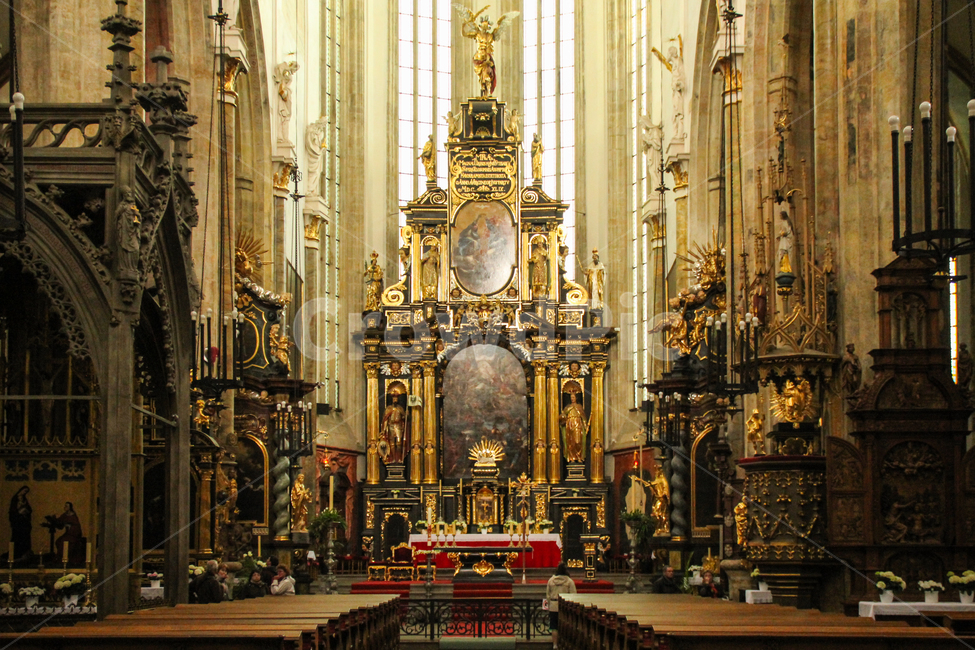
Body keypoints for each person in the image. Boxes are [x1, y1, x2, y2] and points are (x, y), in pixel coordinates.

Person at [546, 562, 577, 650]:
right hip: (565, 606)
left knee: (554, 626)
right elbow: (574, 595)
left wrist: (550, 603)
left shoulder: (551, 580)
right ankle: (565, 644)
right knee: (566, 625)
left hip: (553, 605)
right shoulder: (569, 581)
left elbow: (548, 595)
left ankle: (555, 645)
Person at [8, 485, 32, 560]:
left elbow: (29, 509)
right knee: (17, 538)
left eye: (26, 491)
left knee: (25, 538)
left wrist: (26, 511)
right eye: (25, 490)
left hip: (24, 521)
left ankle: (24, 553)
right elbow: (13, 510)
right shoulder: (15, 499)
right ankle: (16, 554)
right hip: (18, 522)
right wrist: (19, 512)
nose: (25, 492)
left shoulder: (24, 499)